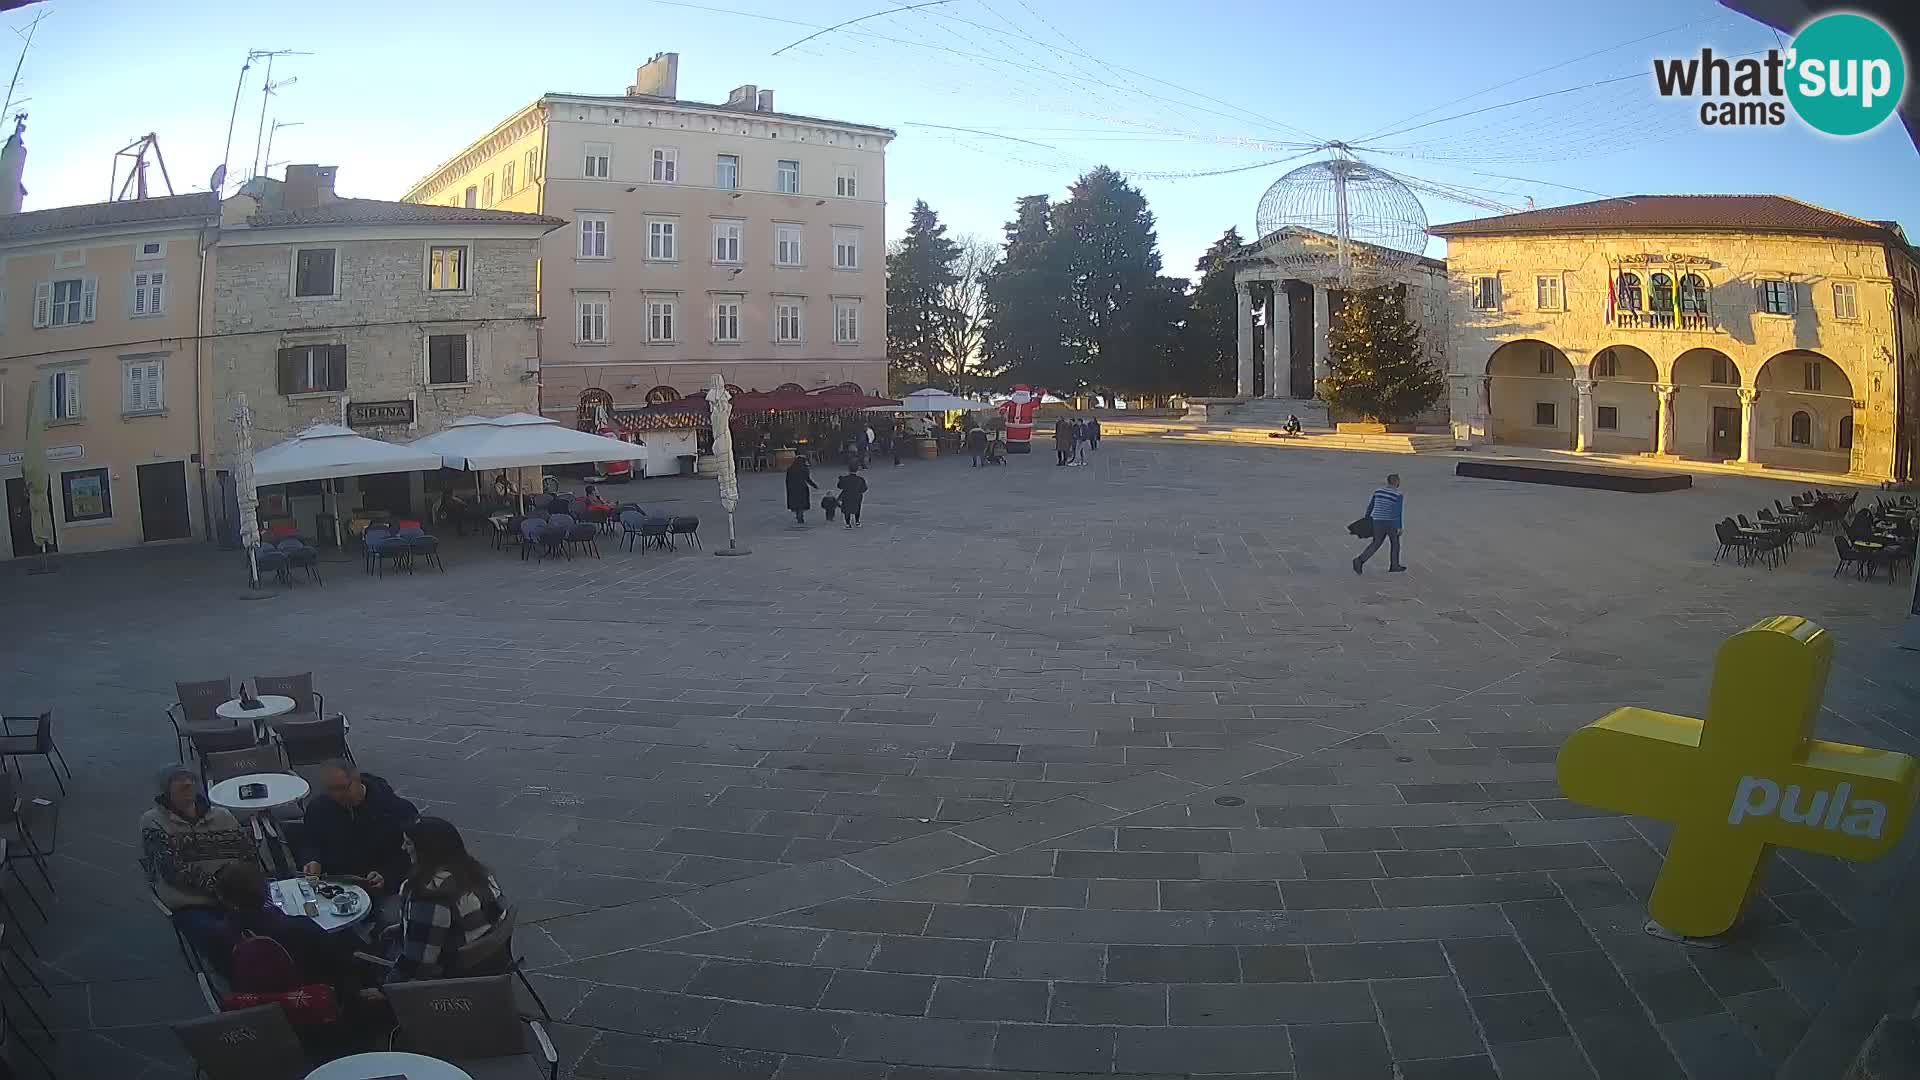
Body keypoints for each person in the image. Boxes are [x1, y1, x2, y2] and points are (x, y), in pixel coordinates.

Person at [140, 765, 258, 955]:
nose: (187, 783)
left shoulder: (222, 816)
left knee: (282, 926)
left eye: (190, 779)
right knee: (222, 938)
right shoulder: (153, 821)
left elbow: (247, 855)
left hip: (237, 897)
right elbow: (172, 871)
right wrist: (223, 889)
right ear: (166, 790)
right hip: (193, 904)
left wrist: (243, 888)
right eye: (178, 780)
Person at [377, 817, 508, 987]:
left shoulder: (430, 896)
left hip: (451, 975)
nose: (403, 848)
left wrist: (385, 990)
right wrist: (403, 927)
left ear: (426, 850)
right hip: (489, 960)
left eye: (408, 843)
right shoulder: (477, 871)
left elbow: (418, 964)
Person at [297, 760, 418, 911]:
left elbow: (412, 854)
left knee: (389, 915)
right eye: (330, 790)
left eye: (342, 788)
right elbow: (310, 840)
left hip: (382, 887)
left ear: (357, 780)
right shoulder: (319, 807)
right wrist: (312, 859)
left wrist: (386, 875)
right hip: (336, 884)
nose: (337, 796)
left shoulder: (396, 810)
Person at [1353, 473, 1407, 574]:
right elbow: (1397, 512)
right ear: (1397, 482)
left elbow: (1371, 506)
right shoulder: (1398, 495)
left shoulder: (1378, 491)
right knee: (1395, 544)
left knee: (1376, 543)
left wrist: (1367, 518)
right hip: (1390, 522)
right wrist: (1399, 527)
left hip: (1377, 520)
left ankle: (1360, 560)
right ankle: (1394, 565)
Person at [785, 454, 819, 525]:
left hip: (792, 488)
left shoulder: (790, 469)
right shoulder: (805, 469)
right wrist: (814, 485)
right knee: (801, 503)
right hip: (802, 488)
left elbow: (787, 480)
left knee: (795, 503)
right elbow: (807, 479)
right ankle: (800, 515)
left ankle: (798, 514)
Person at [836, 463, 868, 528]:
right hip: (857, 496)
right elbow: (864, 488)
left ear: (849, 470)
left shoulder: (844, 478)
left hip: (846, 495)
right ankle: (857, 522)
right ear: (857, 470)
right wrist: (859, 492)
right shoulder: (860, 479)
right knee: (857, 508)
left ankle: (848, 524)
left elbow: (839, 486)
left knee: (846, 509)